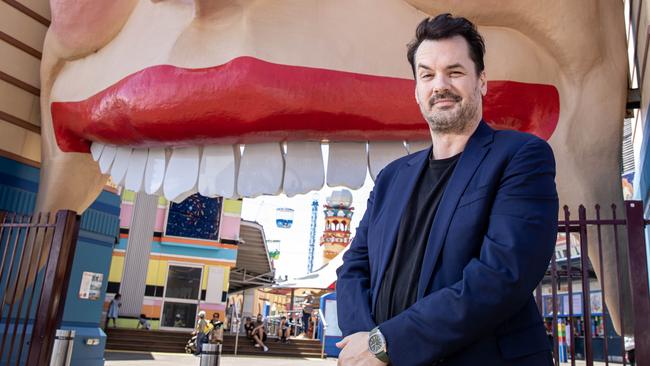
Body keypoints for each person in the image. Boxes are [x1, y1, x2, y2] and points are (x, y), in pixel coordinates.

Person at [335, 14, 558, 366]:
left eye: (454, 72)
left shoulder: (521, 156)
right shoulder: (392, 177)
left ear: (481, 81)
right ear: (416, 90)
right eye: (427, 75)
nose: (440, 85)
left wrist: (385, 343)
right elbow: (353, 268)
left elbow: (502, 275)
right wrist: (365, 346)